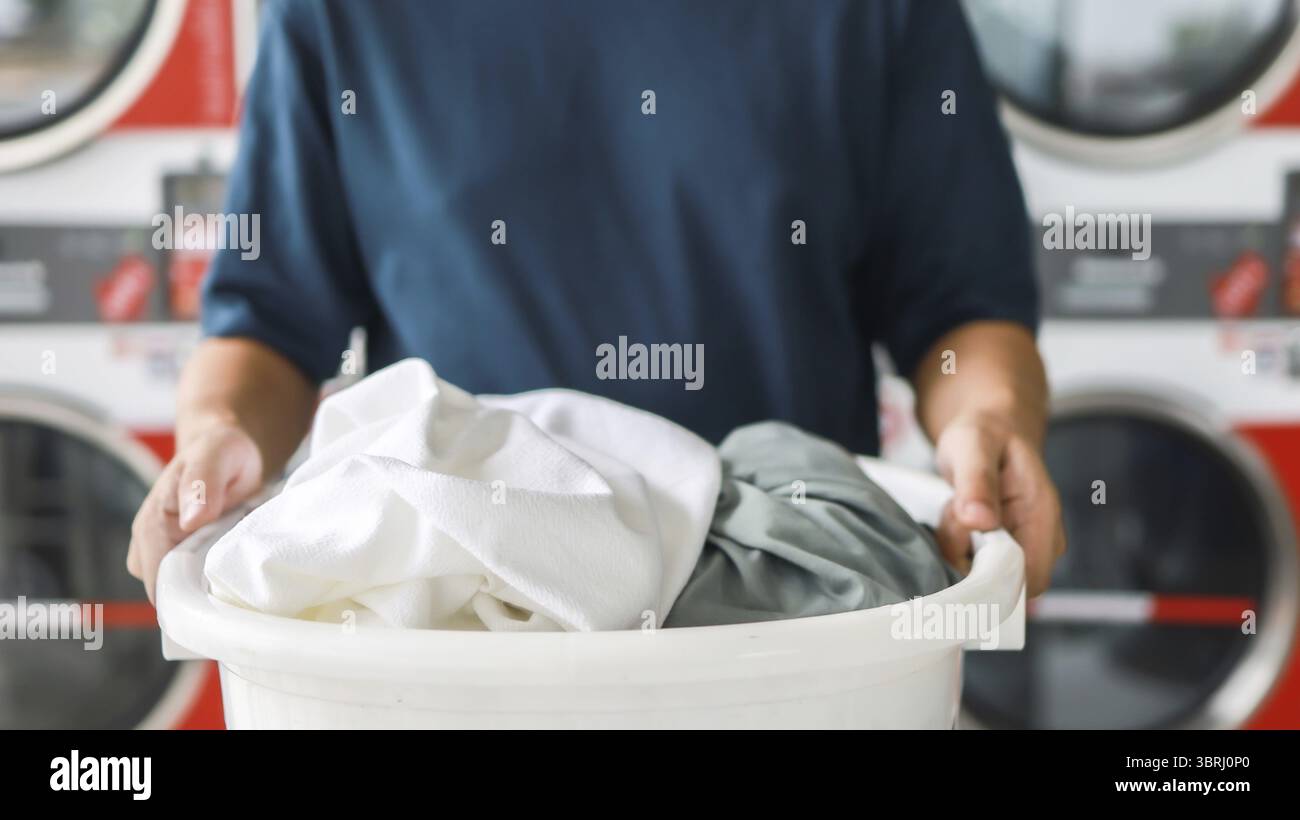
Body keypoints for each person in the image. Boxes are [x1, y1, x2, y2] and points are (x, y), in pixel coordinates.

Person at [128, 0, 1066, 603]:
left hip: (787, 608)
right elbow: (269, 326)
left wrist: (987, 424)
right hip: (453, 628)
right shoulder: (338, 15)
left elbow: (959, 310)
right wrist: (220, 438)